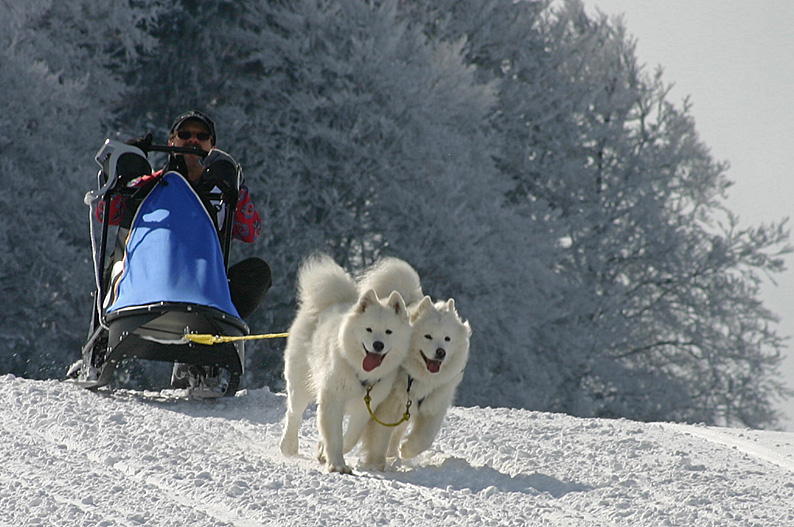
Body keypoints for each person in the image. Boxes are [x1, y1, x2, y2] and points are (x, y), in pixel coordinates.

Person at [99, 110, 271, 391]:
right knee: (110, 268)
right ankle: (99, 348)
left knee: (258, 272)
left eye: (201, 137)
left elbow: (251, 231)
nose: (193, 141)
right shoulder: (148, 184)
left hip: (201, 284)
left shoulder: (220, 192)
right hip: (145, 278)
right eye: (185, 135)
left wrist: (236, 189)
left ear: (211, 146)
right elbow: (104, 213)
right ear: (171, 140)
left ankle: (204, 355)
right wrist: (121, 169)